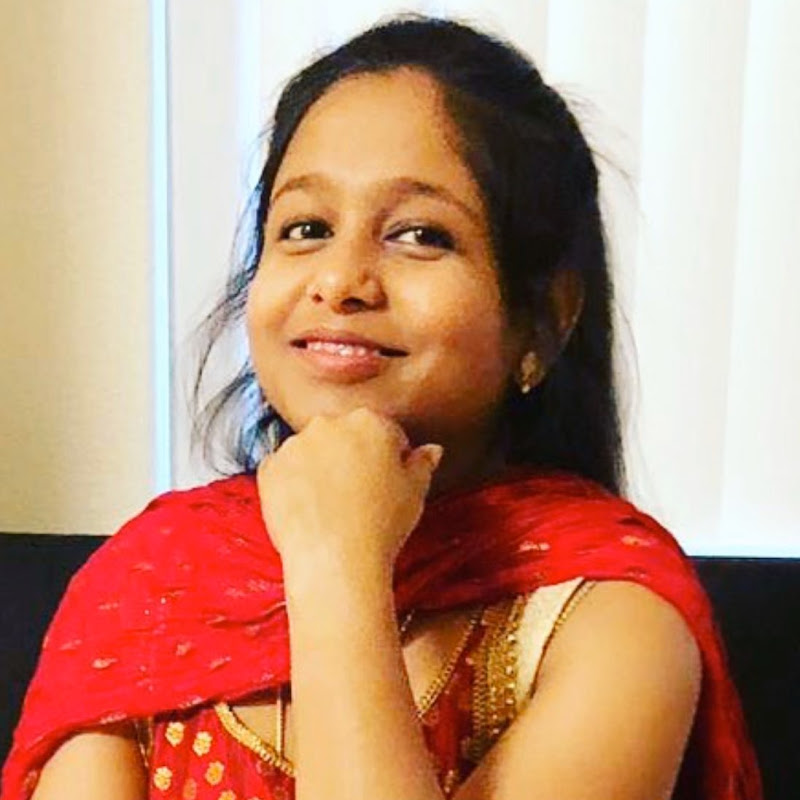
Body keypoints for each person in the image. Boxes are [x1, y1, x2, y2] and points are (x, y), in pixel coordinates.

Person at [2, 15, 761, 800]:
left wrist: (339, 562)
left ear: (543, 319)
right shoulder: (152, 589)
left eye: (419, 235)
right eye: (306, 228)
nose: (340, 281)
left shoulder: (614, 621)